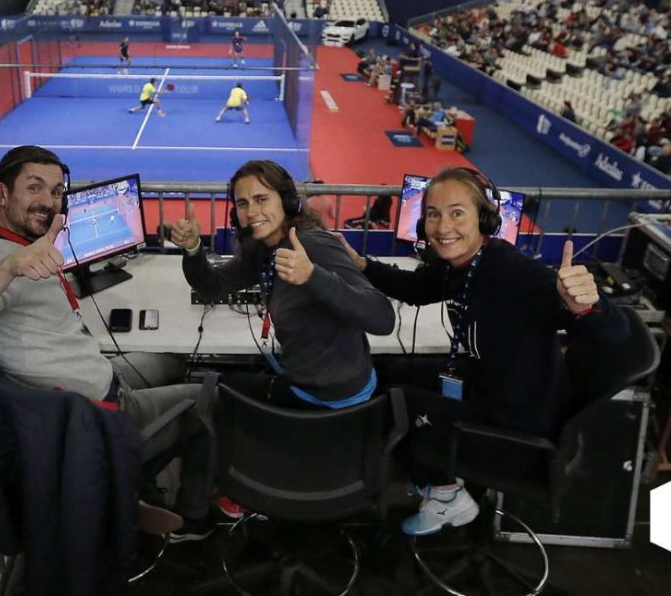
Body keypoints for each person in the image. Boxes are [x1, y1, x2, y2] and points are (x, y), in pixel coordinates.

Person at [0, 145, 212, 540]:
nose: (48, 202)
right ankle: (195, 521)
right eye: (34, 188)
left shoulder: (20, 242)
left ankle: (126, 488)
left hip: (96, 378)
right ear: (1, 192)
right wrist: (9, 267)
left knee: (168, 359)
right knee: (210, 397)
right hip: (95, 412)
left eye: (56, 191)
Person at [337, 167, 630, 536]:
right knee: (392, 367)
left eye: (457, 213)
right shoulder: (459, 263)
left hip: (515, 423)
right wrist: (363, 266)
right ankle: (434, 475)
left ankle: (447, 498)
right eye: (433, 214)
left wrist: (587, 304)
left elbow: (614, 335)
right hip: (487, 388)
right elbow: (417, 289)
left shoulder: (515, 274)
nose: (443, 227)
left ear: (486, 219)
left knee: (396, 400)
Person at [169, 159, 394, 409]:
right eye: (243, 204)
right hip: (302, 381)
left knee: (214, 393)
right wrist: (192, 248)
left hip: (334, 400)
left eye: (261, 199)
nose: (251, 212)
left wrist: (312, 275)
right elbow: (213, 285)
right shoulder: (263, 250)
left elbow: (383, 317)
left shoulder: (313, 245)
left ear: (288, 201)